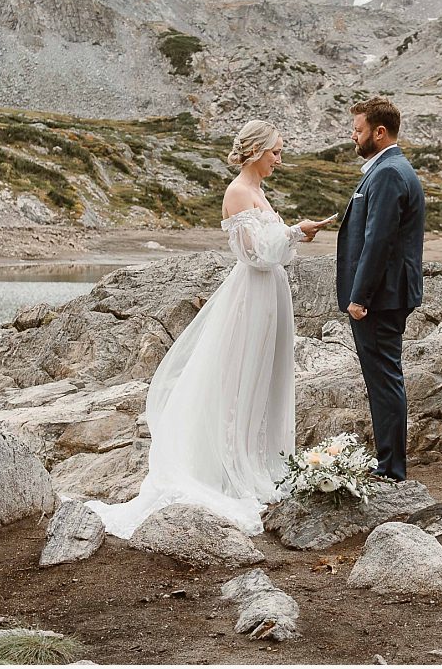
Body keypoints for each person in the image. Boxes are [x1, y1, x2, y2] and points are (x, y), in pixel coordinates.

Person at [86, 120, 331, 538]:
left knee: (264, 377)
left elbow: (273, 252)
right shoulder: (238, 192)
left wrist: (294, 237)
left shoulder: (259, 192)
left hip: (270, 293)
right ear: (255, 150)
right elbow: (254, 254)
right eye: (275, 151)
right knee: (241, 378)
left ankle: (256, 459)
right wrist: (294, 231)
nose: (280, 158)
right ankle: (230, 466)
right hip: (251, 294)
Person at [334, 97, 426, 482]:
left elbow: (379, 241)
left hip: (381, 297)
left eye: (358, 130)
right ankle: (389, 462)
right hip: (386, 294)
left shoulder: (389, 172)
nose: (353, 136)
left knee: (384, 378)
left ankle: (391, 468)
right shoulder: (389, 168)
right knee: (383, 377)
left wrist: (360, 297)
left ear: (379, 132)